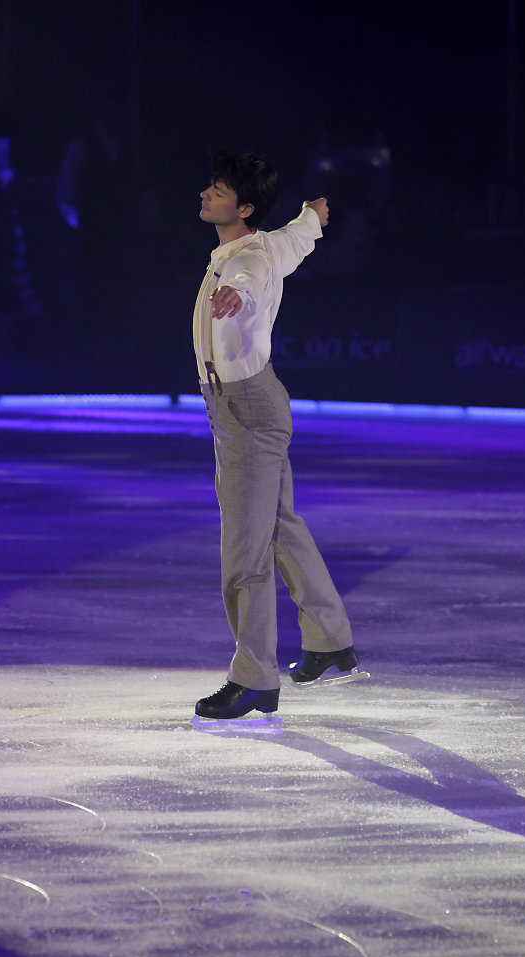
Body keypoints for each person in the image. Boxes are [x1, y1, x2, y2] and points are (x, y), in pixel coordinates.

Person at [193, 151, 361, 720]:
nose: (204, 195)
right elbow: (300, 232)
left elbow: (246, 280)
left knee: (245, 548)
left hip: (247, 410)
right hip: (249, 403)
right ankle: (330, 639)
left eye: (216, 191)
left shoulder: (248, 263)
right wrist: (315, 212)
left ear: (242, 207)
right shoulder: (269, 243)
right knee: (279, 529)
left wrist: (236, 296)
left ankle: (256, 678)